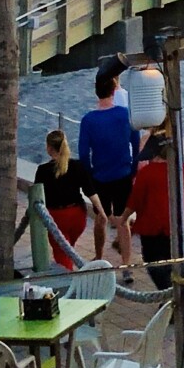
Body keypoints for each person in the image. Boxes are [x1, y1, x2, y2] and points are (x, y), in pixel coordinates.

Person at [115, 135, 184, 290]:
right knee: (174, 259)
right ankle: (174, 290)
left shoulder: (147, 173)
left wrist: (123, 219)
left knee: (153, 261)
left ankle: (168, 293)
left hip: (155, 225)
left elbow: (134, 201)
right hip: (181, 224)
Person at [78, 67, 138, 281]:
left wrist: (90, 174)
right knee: (123, 221)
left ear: (97, 93)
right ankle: (126, 265)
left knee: (100, 219)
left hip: (100, 177)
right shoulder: (125, 115)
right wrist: (132, 168)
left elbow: (83, 154)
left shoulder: (88, 120)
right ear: (114, 91)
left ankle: (99, 258)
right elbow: (135, 142)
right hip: (123, 173)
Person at [35, 129, 105, 270]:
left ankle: (69, 284)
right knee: (68, 248)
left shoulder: (43, 170)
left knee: (62, 255)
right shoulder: (77, 166)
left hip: (56, 218)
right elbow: (90, 191)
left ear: (49, 148)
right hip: (77, 216)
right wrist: (101, 211)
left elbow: (37, 197)